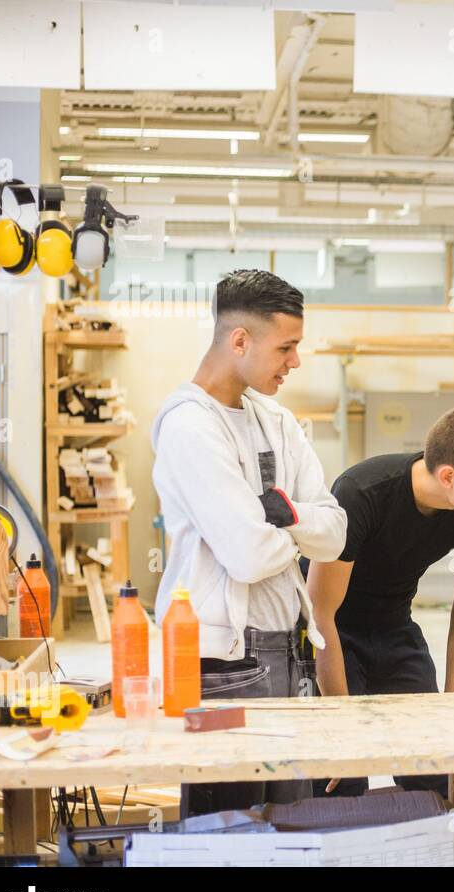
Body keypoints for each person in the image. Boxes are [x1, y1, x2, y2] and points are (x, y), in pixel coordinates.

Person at [151, 269, 347, 817]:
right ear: (240, 340)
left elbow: (335, 533)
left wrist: (279, 517)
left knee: (290, 832)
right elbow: (248, 555)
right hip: (224, 666)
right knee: (225, 836)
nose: (295, 361)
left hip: (290, 653)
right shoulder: (190, 426)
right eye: (286, 347)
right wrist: (294, 527)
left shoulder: (277, 420)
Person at [306, 406, 454, 798]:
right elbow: (320, 615)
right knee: (341, 777)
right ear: (449, 476)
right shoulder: (362, 492)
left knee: (434, 769)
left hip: (394, 623)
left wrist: (451, 707)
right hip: (332, 630)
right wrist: (341, 723)